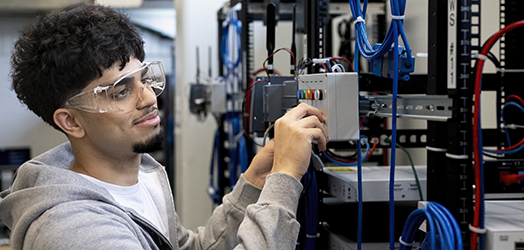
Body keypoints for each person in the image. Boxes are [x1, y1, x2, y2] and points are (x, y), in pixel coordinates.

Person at [0, 3, 328, 250]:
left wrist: (256, 181)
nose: (148, 98)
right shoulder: (75, 231)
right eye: (121, 91)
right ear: (70, 121)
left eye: (144, 79)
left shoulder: (142, 176)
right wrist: (284, 179)